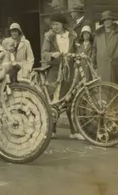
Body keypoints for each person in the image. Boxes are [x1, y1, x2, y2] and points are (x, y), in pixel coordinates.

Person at [42, 13, 85, 141]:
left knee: (70, 100)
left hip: (69, 71)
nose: (54, 27)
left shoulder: (72, 36)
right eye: (52, 24)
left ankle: (73, 131)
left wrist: (78, 56)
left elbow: (77, 50)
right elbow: (43, 54)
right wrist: (52, 55)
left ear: (62, 24)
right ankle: (52, 129)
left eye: (56, 24)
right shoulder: (49, 37)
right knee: (53, 100)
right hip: (55, 71)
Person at [92, 10, 118, 84]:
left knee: (115, 90)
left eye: (109, 19)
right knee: (103, 89)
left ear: (112, 20)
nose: (107, 21)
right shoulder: (98, 34)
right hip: (102, 67)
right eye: (105, 20)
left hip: (115, 67)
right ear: (103, 22)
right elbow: (94, 49)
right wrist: (93, 65)